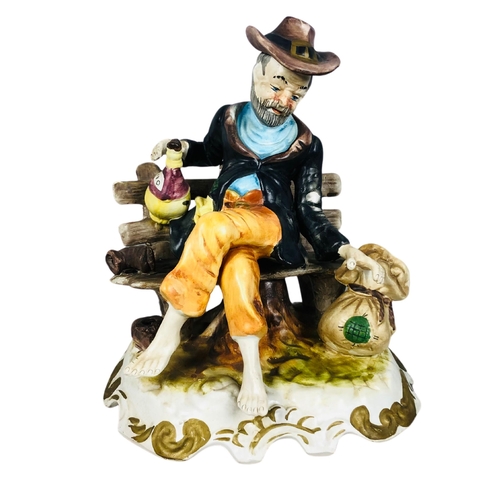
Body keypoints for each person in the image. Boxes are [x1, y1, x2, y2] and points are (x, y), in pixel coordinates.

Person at [125, 17, 384, 416]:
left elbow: (309, 208)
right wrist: (181, 148)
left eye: (296, 94)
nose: (283, 100)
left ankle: (170, 330)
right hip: (228, 225)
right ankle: (252, 371)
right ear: (257, 73)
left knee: (213, 226)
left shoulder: (307, 143)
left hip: (269, 225)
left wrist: (343, 248)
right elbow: (210, 152)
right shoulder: (229, 117)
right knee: (237, 266)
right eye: (277, 86)